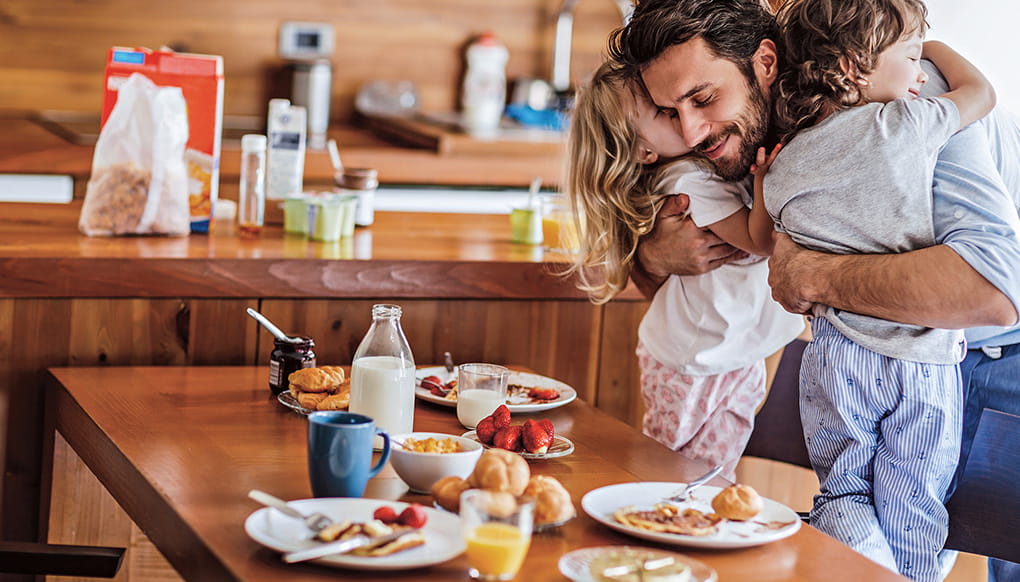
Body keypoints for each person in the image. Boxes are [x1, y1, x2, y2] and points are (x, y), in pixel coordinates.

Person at [610, 0, 1020, 579]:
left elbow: (992, 292)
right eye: (667, 111)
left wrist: (811, 275)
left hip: (994, 354)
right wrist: (653, 256)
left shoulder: (908, 93)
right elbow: (673, 267)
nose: (690, 131)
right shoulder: (750, 139)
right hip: (874, 351)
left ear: (766, 62)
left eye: (703, 99)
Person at [751, 0, 995, 579]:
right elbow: (981, 94)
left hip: (837, 358)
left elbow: (763, 240)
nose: (919, 74)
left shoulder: (790, 158)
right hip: (920, 358)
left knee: (843, 493)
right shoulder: (906, 123)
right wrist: (934, 46)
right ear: (852, 66)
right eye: (909, 58)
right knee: (915, 505)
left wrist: (762, 181)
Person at [564, 61, 803, 480]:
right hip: (694, 358)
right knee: (676, 473)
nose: (687, 122)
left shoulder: (700, 168)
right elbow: (759, 240)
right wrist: (767, 181)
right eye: (665, 112)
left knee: (707, 471)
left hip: (725, 349)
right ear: (644, 150)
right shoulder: (688, 180)